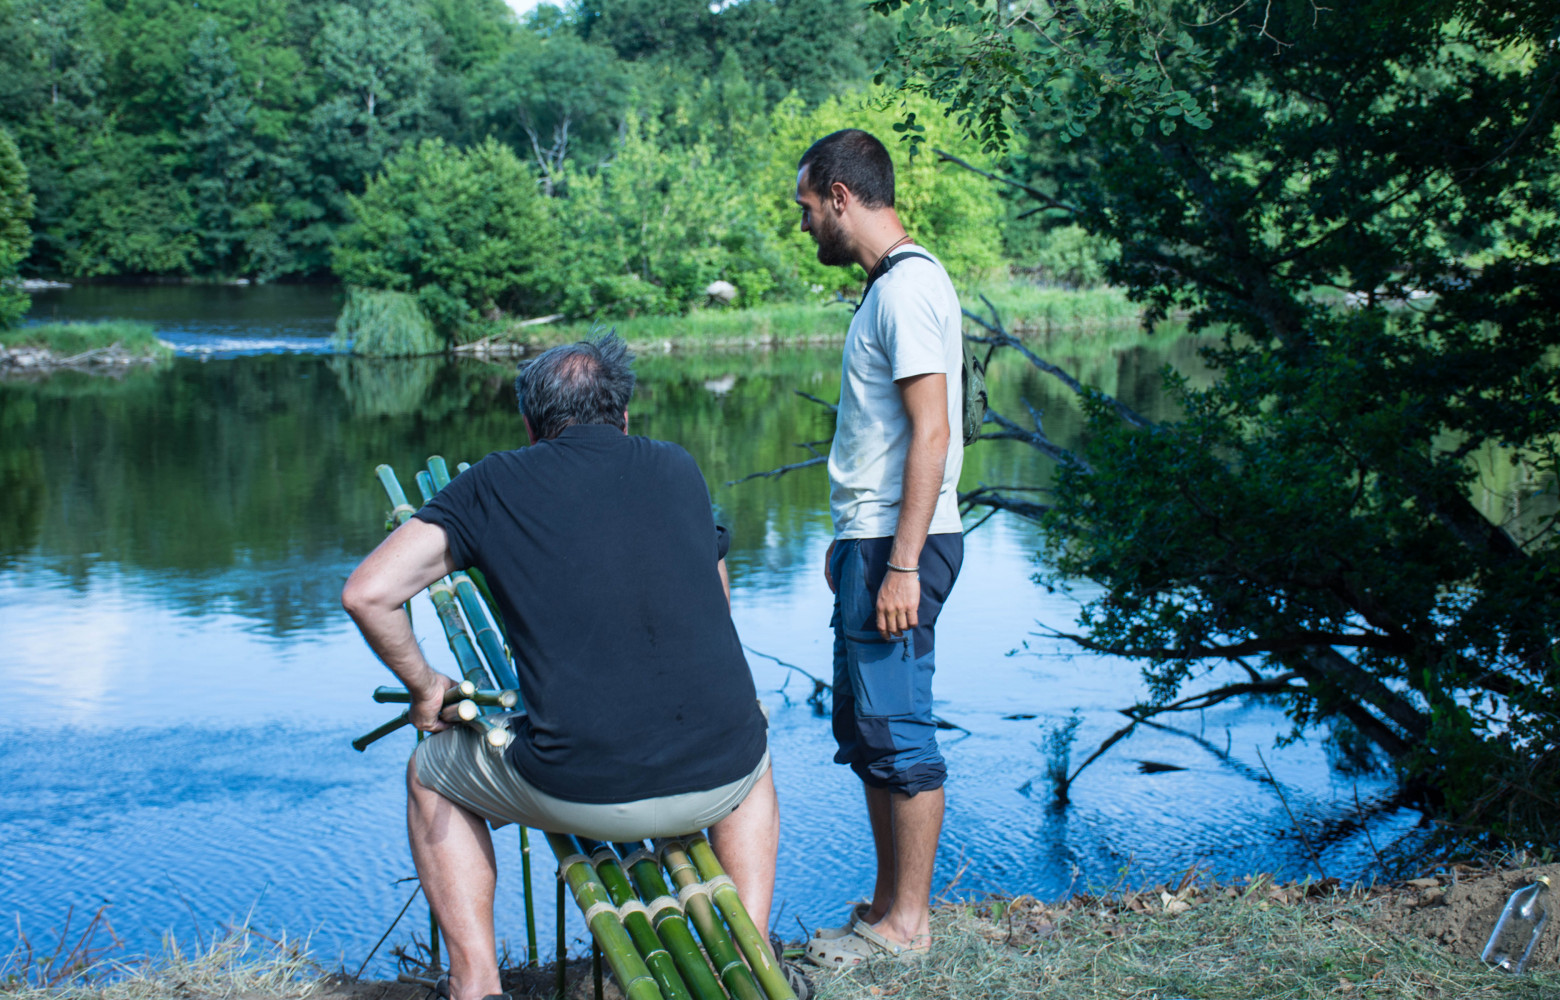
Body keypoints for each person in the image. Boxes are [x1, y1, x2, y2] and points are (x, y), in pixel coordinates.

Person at [341, 334, 780, 1000]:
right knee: (754, 756)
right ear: (625, 415)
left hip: (583, 789)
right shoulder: (678, 467)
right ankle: (749, 956)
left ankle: (476, 984)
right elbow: (716, 596)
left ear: (530, 425)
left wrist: (428, 687)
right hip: (719, 778)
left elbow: (368, 593)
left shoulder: (493, 483)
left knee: (430, 774)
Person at [793, 130, 964, 967]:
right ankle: (890, 903)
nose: (803, 228)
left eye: (804, 209)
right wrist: (853, 546)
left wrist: (898, 563)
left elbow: (932, 431)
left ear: (838, 196)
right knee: (864, 729)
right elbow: (888, 437)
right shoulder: (886, 289)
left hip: (903, 547)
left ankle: (909, 925)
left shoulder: (906, 288)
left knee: (899, 732)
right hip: (872, 542)